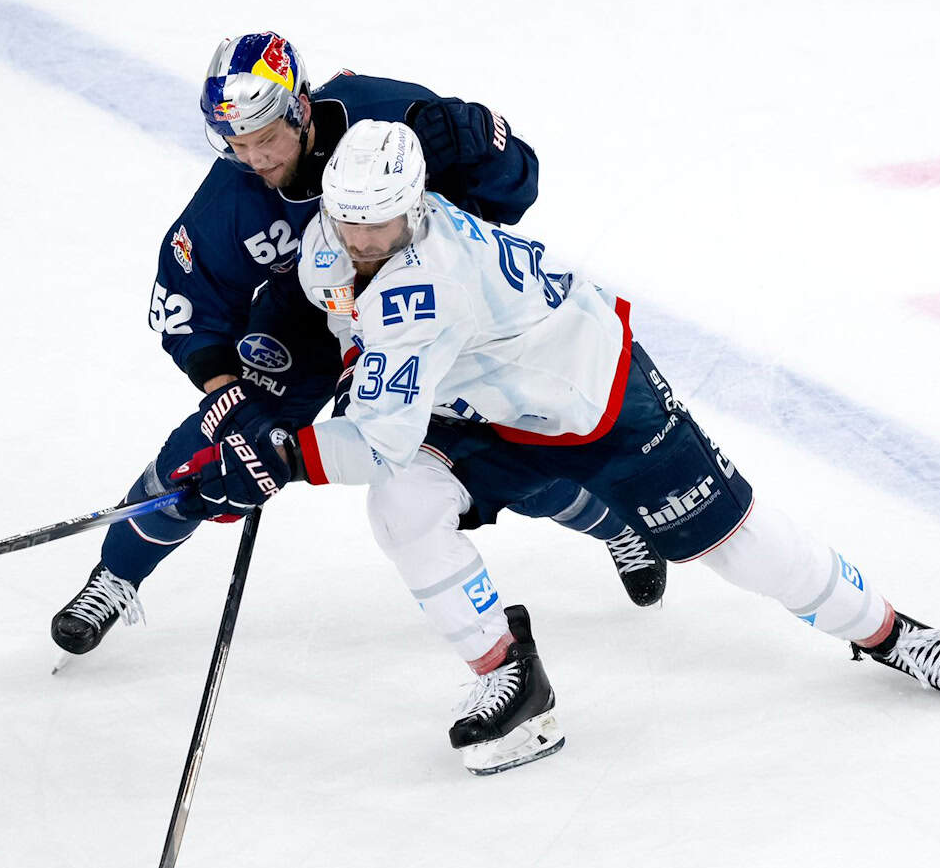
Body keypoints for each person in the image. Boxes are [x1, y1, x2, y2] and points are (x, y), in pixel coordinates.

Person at [174, 119, 940, 775]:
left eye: (377, 222)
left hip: (598, 400)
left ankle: (887, 631)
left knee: (740, 549)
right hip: (482, 407)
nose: (359, 238)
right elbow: (353, 340)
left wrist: (282, 458)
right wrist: (279, 410)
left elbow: (379, 439)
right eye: (347, 219)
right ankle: (510, 677)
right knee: (404, 508)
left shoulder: (428, 285)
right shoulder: (337, 238)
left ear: (415, 205)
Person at [50, 32, 666, 661]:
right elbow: (190, 310)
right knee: (205, 452)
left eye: (266, 138)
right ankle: (116, 574)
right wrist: (232, 403)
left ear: (300, 109)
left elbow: (515, 194)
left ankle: (615, 524)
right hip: (309, 318)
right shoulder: (232, 197)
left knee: (497, 455)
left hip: (428, 315)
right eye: (236, 143)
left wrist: (482, 145)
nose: (254, 159)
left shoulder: (385, 119)